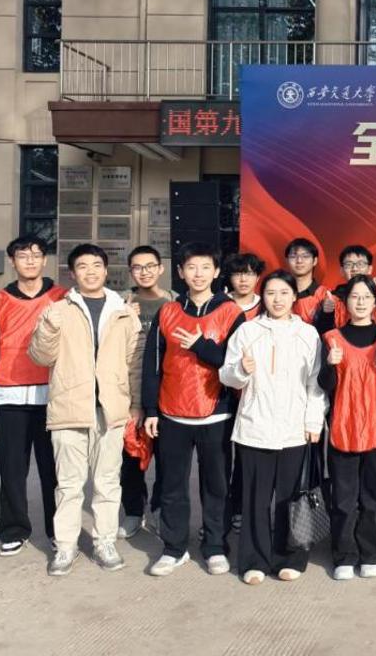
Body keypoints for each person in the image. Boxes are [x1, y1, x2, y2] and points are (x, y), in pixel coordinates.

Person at [28, 243, 141, 576]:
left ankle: (104, 542)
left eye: (96, 265)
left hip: (110, 408)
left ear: (106, 270)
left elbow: (134, 362)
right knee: (68, 484)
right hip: (69, 408)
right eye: (82, 266)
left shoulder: (123, 311)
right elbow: (40, 357)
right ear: (72, 273)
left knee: (108, 481)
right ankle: (66, 546)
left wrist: (135, 404)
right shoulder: (57, 310)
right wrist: (48, 327)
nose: (90, 272)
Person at [141, 242, 245, 577]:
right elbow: (152, 365)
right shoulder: (168, 312)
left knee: (216, 485)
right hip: (172, 413)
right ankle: (174, 548)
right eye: (191, 267)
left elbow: (234, 364)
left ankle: (215, 546)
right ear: (181, 272)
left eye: (205, 267)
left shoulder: (231, 312)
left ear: (216, 272)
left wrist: (201, 346)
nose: (198, 274)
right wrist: (151, 409)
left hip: (216, 413)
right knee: (172, 484)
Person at [219, 269, 325, 585]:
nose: (277, 299)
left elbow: (315, 383)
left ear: (294, 296)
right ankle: (254, 560)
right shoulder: (248, 330)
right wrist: (241, 369)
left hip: (294, 429)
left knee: (290, 498)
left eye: (283, 293)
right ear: (262, 296)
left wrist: (313, 421)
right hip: (255, 427)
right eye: (270, 293)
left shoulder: (308, 334)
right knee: (255, 498)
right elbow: (226, 375)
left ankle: (289, 558)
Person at [0, 235, 66, 557]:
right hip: (10, 399)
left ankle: (58, 531)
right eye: (23, 255)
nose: (30, 260)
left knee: (54, 469)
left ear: (44, 260)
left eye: (36, 255)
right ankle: (13, 530)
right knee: (12, 468)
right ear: (12, 261)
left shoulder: (61, 298)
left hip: (52, 398)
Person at [320, 275, 376, 580]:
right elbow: (324, 386)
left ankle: (370, 553)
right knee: (343, 498)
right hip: (344, 428)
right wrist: (330, 364)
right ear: (345, 302)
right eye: (355, 297)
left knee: (374, 497)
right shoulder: (331, 338)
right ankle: (344, 554)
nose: (361, 302)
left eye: (367, 297)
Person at [117, 245, 176, 540]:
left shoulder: (176, 303)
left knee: (167, 460)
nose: (145, 272)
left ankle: (159, 509)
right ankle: (133, 511)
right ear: (131, 272)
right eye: (138, 267)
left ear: (161, 268)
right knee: (130, 458)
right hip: (128, 395)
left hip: (168, 395)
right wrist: (123, 318)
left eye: (150, 266)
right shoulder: (120, 303)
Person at [222, 251, 266, 532]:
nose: (243, 279)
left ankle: (240, 509)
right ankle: (222, 515)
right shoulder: (219, 305)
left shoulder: (267, 306)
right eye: (238, 273)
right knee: (221, 459)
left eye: (249, 273)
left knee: (247, 459)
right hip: (222, 392)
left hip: (256, 394)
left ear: (257, 277)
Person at [323, 244, 376, 330]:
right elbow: (324, 334)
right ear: (341, 270)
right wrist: (326, 314)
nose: (355, 269)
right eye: (349, 264)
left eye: (360, 264)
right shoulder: (332, 301)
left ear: (370, 269)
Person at [286, 238, 330, 329]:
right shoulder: (279, 294)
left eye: (305, 256)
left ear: (315, 261)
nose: (299, 261)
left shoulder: (326, 295)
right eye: (293, 256)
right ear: (287, 260)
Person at [225, 252, 265, 321]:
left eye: (249, 274)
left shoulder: (264, 305)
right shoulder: (220, 303)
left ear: (258, 278)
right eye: (237, 274)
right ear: (230, 278)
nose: (243, 279)